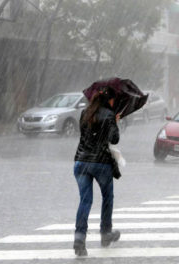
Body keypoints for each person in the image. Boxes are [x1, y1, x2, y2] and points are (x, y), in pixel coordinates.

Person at [73, 86, 121, 256]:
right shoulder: (109, 115)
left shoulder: (84, 113)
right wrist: (114, 121)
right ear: (110, 100)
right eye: (114, 100)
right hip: (100, 163)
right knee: (107, 197)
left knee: (85, 201)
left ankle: (79, 238)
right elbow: (114, 139)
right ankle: (105, 233)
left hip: (81, 162)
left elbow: (85, 135)